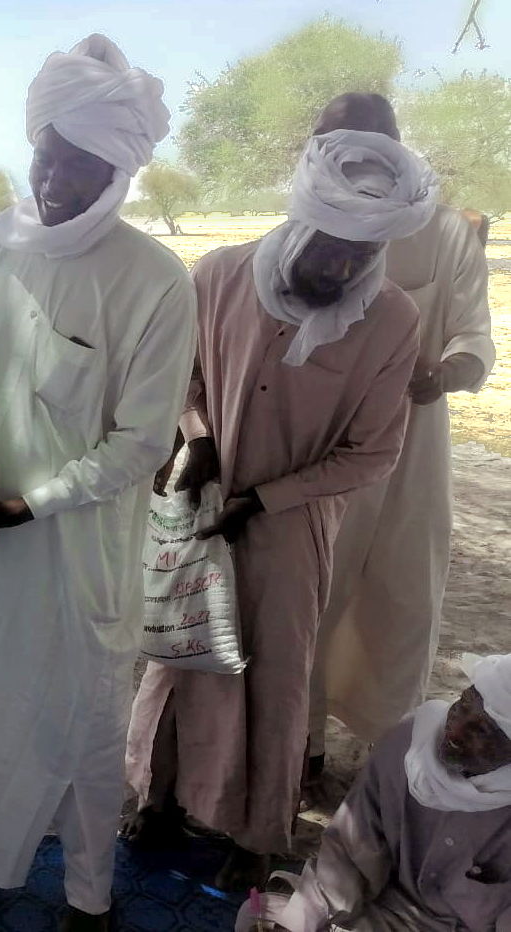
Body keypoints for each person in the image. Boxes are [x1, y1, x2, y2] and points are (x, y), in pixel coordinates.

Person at [0, 34, 197, 931]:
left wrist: (28, 504)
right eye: (46, 155)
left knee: (83, 726)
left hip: (76, 552)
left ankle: (88, 897)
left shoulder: (154, 280)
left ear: (122, 170)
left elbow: (142, 443)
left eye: (82, 164)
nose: (57, 179)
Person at [126, 128, 436, 891]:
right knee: (177, 656)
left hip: (292, 533)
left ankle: (258, 833)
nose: (338, 267)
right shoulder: (219, 275)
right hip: (199, 507)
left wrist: (266, 499)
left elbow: (372, 453)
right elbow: (185, 380)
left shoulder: (391, 320)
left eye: (358, 257)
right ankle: (157, 798)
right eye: (327, 248)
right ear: (300, 221)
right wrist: (197, 440)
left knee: (273, 675)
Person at [306, 95, 496, 781]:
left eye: (363, 140)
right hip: (318, 451)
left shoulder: (443, 233)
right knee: (311, 594)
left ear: (393, 145)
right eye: (329, 140)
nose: (347, 155)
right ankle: (301, 748)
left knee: (401, 597)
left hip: (413, 447)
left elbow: (474, 334)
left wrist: (442, 374)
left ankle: (384, 755)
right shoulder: (302, 228)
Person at [238, 654, 511, 931]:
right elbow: (350, 850)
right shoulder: (408, 745)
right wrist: (299, 922)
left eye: (481, 730)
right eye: (463, 705)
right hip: (382, 911)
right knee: (258, 915)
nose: (455, 730)